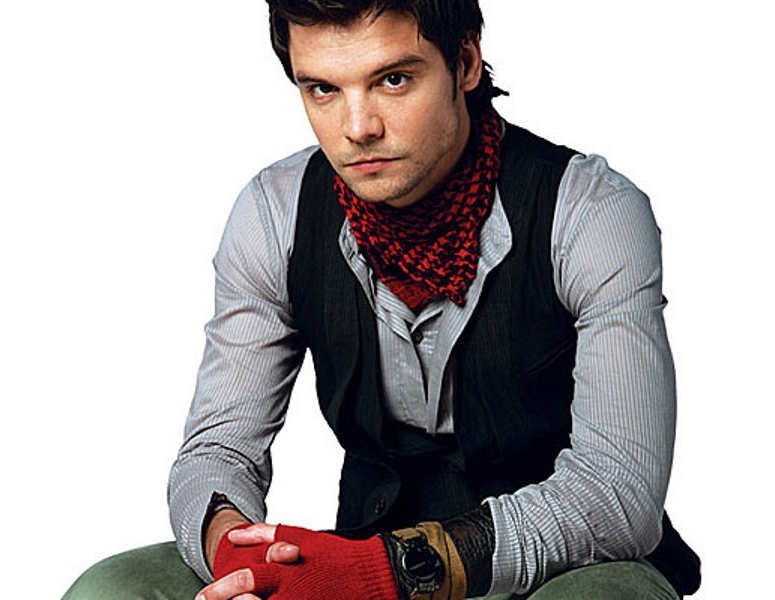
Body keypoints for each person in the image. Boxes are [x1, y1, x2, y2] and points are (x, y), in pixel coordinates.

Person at [64, 1, 701, 598]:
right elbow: (218, 452)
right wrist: (240, 554)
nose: (358, 128)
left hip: (558, 569)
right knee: (115, 587)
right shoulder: (274, 213)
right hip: (361, 552)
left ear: (466, 62)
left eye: (393, 80)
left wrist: (384, 572)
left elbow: (619, 492)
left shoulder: (590, 211)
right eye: (323, 89)